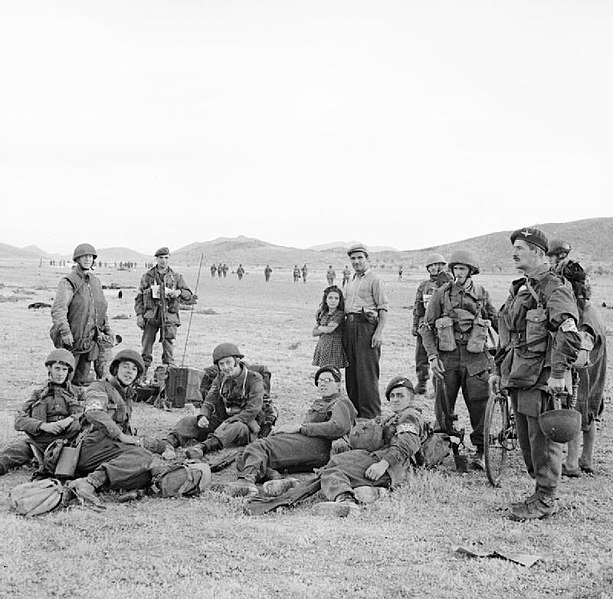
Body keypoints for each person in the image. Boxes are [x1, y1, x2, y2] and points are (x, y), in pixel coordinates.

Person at [489, 227, 581, 520]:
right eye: (514, 247)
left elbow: (568, 332)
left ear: (538, 253)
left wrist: (558, 373)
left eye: (520, 247)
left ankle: (546, 498)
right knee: (529, 443)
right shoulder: (521, 287)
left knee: (543, 441)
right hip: (519, 374)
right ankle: (540, 492)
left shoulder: (554, 287)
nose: (514, 252)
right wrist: (497, 371)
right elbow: (510, 336)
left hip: (543, 378)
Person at [419, 249, 497, 470]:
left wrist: (506, 349)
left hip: (476, 359)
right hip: (447, 357)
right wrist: (433, 357)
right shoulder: (441, 294)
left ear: (471, 271)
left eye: (462, 269)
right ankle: (440, 448)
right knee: (443, 406)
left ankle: (481, 451)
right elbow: (425, 327)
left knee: (479, 405)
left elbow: (498, 321)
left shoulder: (482, 294)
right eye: (455, 269)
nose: (458, 273)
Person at [227, 365, 357, 496]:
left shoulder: (341, 402)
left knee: (260, 447)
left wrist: (300, 428)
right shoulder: (323, 402)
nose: (322, 384)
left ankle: (246, 482)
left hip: (321, 445)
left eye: (327, 380)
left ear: (338, 384)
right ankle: (277, 479)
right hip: (309, 444)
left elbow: (338, 427)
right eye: (320, 381)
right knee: (244, 456)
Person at [317, 376, 427, 513]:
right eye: (392, 396)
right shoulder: (396, 416)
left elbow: (408, 443)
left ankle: (346, 502)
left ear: (411, 398)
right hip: (385, 460)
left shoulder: (410, 416)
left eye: (400, 395)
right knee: (336, 462)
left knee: (335, 472)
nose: (395, 399)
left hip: (393, 467)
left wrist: (383, 465)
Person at [68, 350, 167, 499]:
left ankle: (88, 483)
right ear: (116, 369)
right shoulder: (99, 387)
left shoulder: (126, 394)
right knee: (142, 456)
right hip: (92, 446)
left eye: (134, 369)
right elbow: (93, 412)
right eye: (126, 367)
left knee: (146, 472)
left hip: (111, 448)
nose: (129, 372)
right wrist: (121, 436)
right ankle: (90, 482)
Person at [165, 343, 266, 458]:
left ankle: (202, 448)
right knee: (188, 421)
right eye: (221, 364)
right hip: (221, 421)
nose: (225, 367)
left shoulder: (254, 379)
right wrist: (203, 416)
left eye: (228, 362)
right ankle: (169, 442)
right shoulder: (220, 378)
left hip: (244, 425)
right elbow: (209, 401)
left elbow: (253, 409)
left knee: (235, 427)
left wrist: (229, 422)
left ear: (237, 361)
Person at [0, 350, 82, 476]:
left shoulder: (79, 393)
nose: (60, 374)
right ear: (50, 369)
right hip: (40, 442)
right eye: (57, 369)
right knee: (13, 451)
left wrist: (69, 420)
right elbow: (19, 419)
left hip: (70, 442)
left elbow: (91, 412)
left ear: (69, 372)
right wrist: (44, 426)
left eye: (64, 370)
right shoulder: (38, 394)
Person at [50, 243, 112, 386]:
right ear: (77, 259)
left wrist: (107, 330)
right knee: (63, 379)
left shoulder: (96, 282)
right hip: (72, 339)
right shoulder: (68, 282)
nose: (87, 259)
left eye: (90, 256)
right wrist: (65, 332)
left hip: (90, 341)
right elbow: (59, 309)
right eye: (83, 256)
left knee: (82, 381)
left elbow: (101, 309)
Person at [342, 243, 388, 419]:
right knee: (351, 373)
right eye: (353, 258)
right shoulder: (351, 280)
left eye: (360, 257)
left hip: (366, 327)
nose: (356, 261)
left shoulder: (375, 280)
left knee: (366, 374)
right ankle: (355, 415)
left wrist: (378, 333)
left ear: (368, 259)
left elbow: (383, 308)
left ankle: (371, 418)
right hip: (350, 327)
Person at [134, 247, 193, 379]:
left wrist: (178, 292)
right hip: (151, 316)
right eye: (161, 258)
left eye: (166, 258)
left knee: (168, 349)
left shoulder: (176, 277)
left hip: (169, 317)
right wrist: (139, 315)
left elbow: (189, 294)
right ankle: (141, 375)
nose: (164, 261)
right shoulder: (147, 276)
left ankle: (168, 377)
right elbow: (139, 297)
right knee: (146, 347)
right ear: (156, 259)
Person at [412, 253, 453, 394]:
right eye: (432, 265)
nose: (436, 268)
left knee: (440, 357)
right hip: (425, 324)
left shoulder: (449, 283)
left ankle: (439, 388)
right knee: (421, 355)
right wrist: (415, 325)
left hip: (442, 325)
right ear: (428, 268)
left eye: (439, 265)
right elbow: (418, 306)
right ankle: (422, 382)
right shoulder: (424, 286)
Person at [312, 286, 348, 369]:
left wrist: (320, 327)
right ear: (325, 299)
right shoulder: (322, 313)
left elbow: (329, 329)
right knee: (322, 371)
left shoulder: (339, 314)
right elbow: (314, 332)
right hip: (323, 346)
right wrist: (323, 328)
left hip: (334, 347)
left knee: (332, 372)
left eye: (336, 298)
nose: (333, 301)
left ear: (340, 301)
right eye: (330, 298)